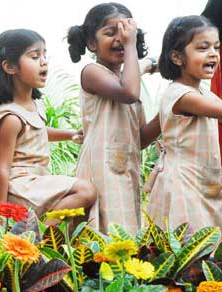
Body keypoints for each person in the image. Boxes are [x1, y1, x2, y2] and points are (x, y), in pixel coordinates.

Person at [66, 2, 159, 234]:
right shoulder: (92, 72)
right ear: (91, 43)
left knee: (126, 233)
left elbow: (140, 140)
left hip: (126, 168)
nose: (120, 38)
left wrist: (167, 113)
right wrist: (137, 55)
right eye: (110, 32)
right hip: (101, 170)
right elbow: (127, 92)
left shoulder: (131, 83)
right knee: (107, 235)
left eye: (126, 32)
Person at [0, 29, 96, 223]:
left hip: (37, 182)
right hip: (21, 186)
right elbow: (2, 169)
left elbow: (37, 132)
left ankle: (39, 237)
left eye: (45, 55)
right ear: (10, 67)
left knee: (82, 211)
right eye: (35, 56)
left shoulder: (35, 106)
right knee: (86, 191)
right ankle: (33, 236)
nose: (44, 61)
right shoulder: (10, 117)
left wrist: (70, 134)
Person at [147, 15, 222, 233]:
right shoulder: (183, 96)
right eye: (203, 48)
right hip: (183, 187)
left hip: (200, 184)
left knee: (205, 251)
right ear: (176, 57)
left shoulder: (202, 92)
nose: (213, 53)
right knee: (192, 254)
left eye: (216, 47)